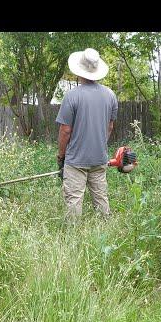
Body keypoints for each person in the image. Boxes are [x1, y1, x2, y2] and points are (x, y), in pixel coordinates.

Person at [55, 48, 118, 220]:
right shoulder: (110, 95)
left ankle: (74, 238)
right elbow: (110, 127)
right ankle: (106, 231)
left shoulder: (72, 96)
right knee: (101, 199)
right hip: (99, 158)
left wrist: (61, 156)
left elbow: (65, 130)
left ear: (79, 70)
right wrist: (99, 145)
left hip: (76, 161)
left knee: (74, 201)